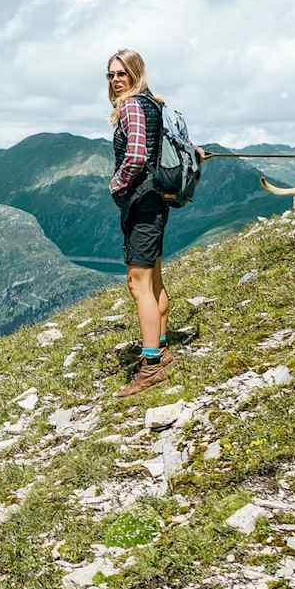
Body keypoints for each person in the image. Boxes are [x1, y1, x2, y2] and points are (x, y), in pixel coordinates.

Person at [105, 48, 184, 398]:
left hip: (142, 201)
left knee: (138, 284)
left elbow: (136, 155)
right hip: (156, 201)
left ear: (136, 73)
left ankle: (150, 365)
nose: (115, 79)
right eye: (110, 74)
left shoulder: (135, 106)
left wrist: (117, 184)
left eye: (121, 73)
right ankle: (162, 348)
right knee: (153, 277)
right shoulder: (155, 105)